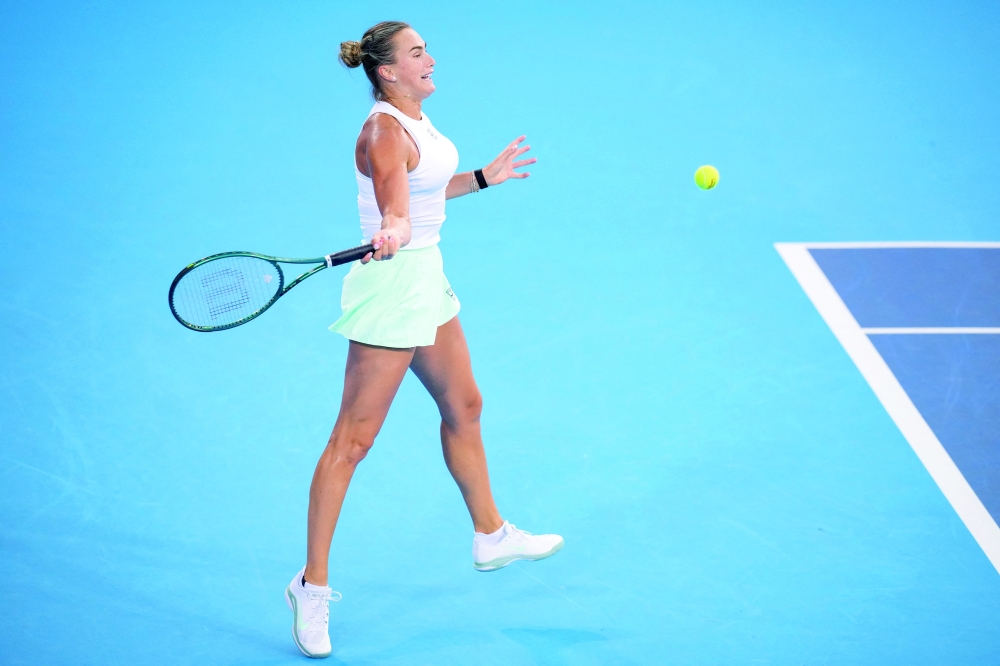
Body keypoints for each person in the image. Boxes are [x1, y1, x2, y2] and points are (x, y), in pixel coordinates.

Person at [283, 21, 564, 659]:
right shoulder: (383, 131)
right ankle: (312, 587)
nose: (429, 59)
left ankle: (490, 535)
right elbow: (395, 205)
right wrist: (391, 226)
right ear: (387, 71)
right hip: (391, 292)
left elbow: (426, 191)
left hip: (426, 276)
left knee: (464, 406)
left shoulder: (417, 120)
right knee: (352, 443)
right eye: (416, 53)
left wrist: (483, 178)